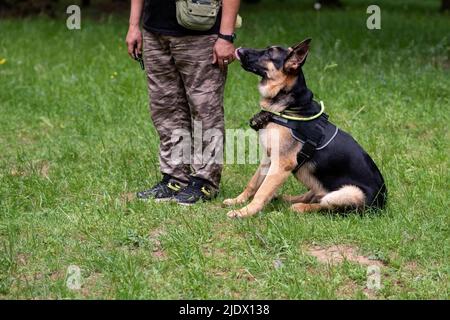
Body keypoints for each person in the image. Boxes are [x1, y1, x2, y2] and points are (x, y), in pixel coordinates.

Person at [126, 0, 240, 205]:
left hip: (201, 34)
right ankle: (175, 177)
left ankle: (205, 181)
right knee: (165, 108)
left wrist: (225, 36)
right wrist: (134, 26)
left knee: (205, 109)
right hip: (155, 32)